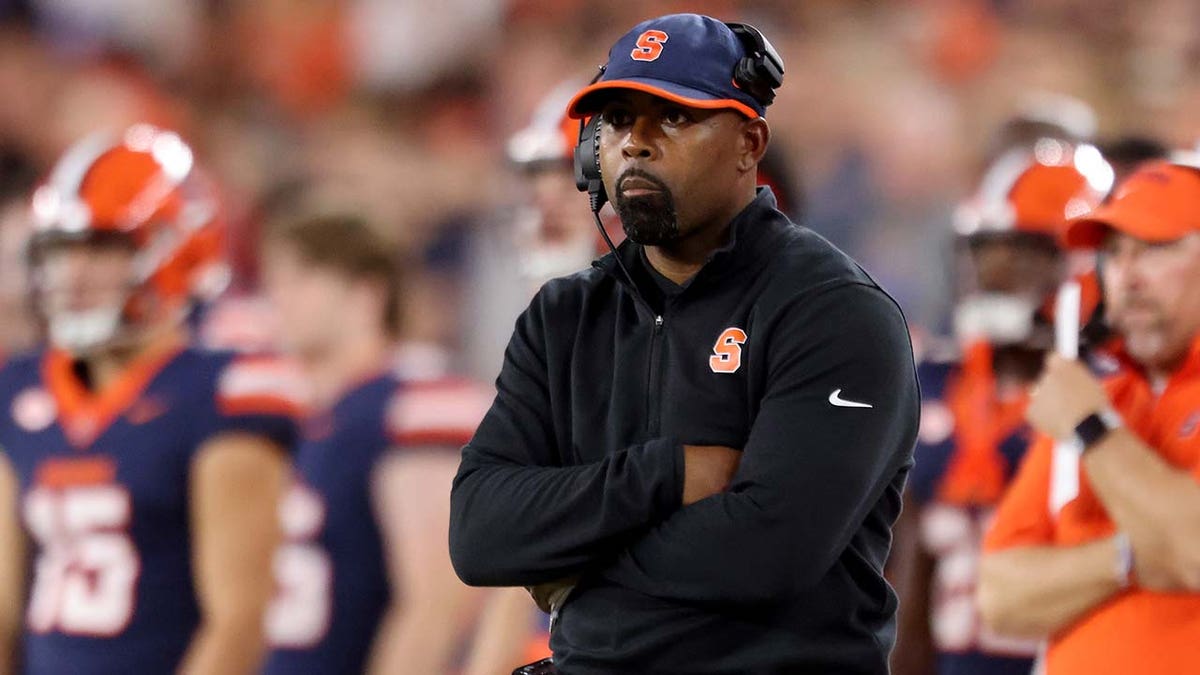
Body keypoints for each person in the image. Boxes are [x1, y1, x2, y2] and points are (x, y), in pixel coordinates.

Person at [449, 14, 920, 674]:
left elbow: (769, 550)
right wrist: (665, 475)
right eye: (617, 119)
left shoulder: (834, 312)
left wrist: (568, 560)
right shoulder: (564, 315)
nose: (635, 144)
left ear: (749, 142)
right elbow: (479, 535)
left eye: (671, 117)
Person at [0, 125, 299, 675]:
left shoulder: (222, 391)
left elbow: (238, 620)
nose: (73, 273)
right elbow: (3, 606)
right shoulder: (20, 388)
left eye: (102, 249)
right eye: (62, 251)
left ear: (175, 249)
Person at [888, 139, 1112, 675]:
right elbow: (909, 572)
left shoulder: (1107, 394)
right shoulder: (933, 381)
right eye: (984, 253)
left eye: (1019, 254)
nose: (992, 273)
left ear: (1077, 264)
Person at [257, 214, 515, 674]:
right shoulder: (306, 414)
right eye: (276, 280)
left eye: (302, 279)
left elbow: (437, 599)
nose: (279, 298)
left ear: (366, 293)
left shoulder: (412, 402)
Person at [977, 158, 1200, 674]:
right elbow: (1001, 596)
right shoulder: (1096, 393)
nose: (1128, 275)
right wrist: (1129, 556)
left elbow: (1191, 551)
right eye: (1115, 252)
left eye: (1157, 247)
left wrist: (1093, 431)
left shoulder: (1082, 408)